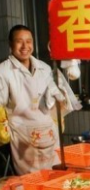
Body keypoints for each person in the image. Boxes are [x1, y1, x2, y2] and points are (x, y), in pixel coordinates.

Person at [0, 25, 67, 175]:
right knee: (32, 184)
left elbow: (54, 101)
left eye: (29, 41)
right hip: (23, 139)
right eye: (19, 41)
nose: (25, 46)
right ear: (10, 44)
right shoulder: (3, 71)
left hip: (49, 134)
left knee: (55, 178)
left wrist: (59, 116)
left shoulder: (45, 68)